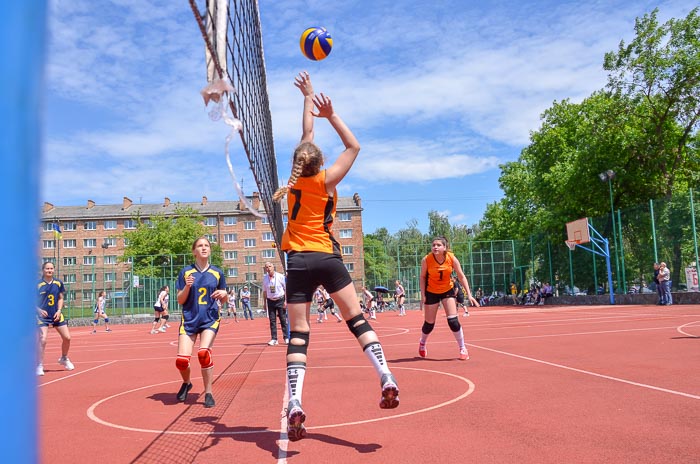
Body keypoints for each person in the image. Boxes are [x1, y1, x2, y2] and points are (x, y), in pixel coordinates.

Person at [271, 71, 399, 441]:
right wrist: (331, 113)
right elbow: (354, 146)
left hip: (297, 260)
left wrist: (306, 98)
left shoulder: (294, 181)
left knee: (298, 333)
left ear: (298, 162)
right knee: (357, 319)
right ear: (319, 162)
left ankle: (295, 401)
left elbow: (306, 137)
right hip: (327, 257)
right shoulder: (326, 180)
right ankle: (385, 375)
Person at [174, 236, 228, 408]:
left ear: (210, 250)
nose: (204, 248)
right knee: (182, 361)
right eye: (200, 246)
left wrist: (224, 296)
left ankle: (209, 392)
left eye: (206, 245)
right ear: (194, 251)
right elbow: (180, 300)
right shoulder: (186, 273)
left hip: (209, 319)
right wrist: (187, 287)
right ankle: (187, 382)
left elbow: (223, 297)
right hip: (189, 319)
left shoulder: (217, 273)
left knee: (203, 353)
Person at [418, 237, 480, 361]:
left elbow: (461, 276)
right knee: (429, 324)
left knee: (453, 321)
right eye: (433, 245)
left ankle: (462, 348)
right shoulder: (427, 259)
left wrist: (469, 294)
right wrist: (423, 295)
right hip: (431, 291)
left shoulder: (451, 258)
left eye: (438, 245)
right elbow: (423, 277)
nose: (435, 247)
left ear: (444, 247)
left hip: (447, 290)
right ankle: (422, 342)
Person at [36, 262, 74, 375]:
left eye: (51, 268)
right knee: (43, 339)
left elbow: (60, 298)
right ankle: (39, 365)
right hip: (42, 316)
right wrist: (39, 310)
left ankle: (64, 358)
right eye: (47, 268)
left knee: (67, 337)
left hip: (56, 314)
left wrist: (59, 310)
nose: (49, 270)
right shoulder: (37, 284)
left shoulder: (58, 283)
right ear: (43, 270)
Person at [262, 261, 289, 345]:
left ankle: (286, 337)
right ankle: (274, 339)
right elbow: (264, 292)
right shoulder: (265, 279)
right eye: (266, 267)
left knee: (283, 319)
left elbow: (286, 289)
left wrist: (286, 301)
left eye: (270, 266)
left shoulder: (280, 277)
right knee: (272, 320)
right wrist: (264, 303)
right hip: (270, 301)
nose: (268, 268)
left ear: (273, 267)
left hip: (280, 299)